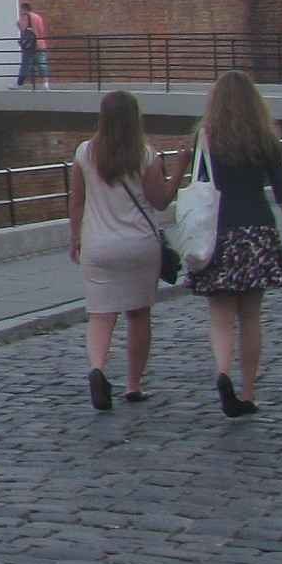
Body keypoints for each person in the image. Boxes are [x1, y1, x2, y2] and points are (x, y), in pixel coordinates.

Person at [67, 89, 182, 410]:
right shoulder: (146, 156)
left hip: (98, 245)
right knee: (138, 315)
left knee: (101, 317)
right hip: (138, 246)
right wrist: (181, 167)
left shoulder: (84, 154)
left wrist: (75, 237)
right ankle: (133, 384)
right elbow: (161, 201)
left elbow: (77, 200)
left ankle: (97, 368)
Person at [185, 70, 282, 417]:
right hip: (258, 230)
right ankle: (247, 391)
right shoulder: (266, 139)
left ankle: (223, 373)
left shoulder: (207, 138)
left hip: (218, 232)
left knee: (220, 315)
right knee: (251, 316)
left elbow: (200, 188)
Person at [15, 3, 48, 89]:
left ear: (25, 9)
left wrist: (18, 23)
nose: (20, 11)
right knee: (41, 64)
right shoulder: (38, 17)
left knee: (25, 64)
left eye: (21, 9)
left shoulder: (26, 17)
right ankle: (45, 83)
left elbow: (22, 28)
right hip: (40, 43)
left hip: (30, 44)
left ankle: (19, 84)